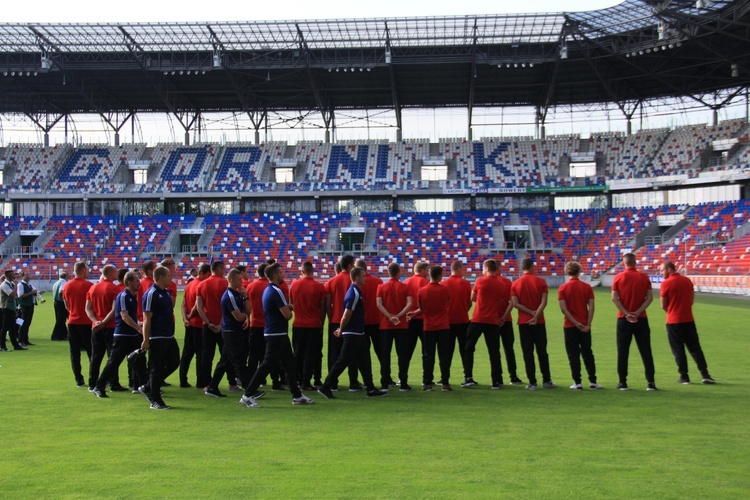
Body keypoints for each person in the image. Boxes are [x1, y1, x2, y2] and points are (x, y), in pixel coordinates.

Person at [239, 263, 314, 408]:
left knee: (289, 364)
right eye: (280, 273)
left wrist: (286, 309)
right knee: (267, 364)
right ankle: (247, 395)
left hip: (274, 331)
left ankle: (297, 395)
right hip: (276, 333)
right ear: (274, 275)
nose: (282, 275)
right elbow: (286, 315)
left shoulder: (268, 290)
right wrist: (290, 310)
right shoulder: (276, 290)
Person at [317, 267, 387, 399]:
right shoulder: (354, 293)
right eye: (363, 276)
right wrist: (341, 329)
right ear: (356, 278)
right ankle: (326, 387)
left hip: (358, 333)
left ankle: (370, 389)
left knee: (364, 361)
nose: (365, 278)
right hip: (353, 334)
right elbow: (346, 314)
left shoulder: (356, 292)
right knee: (343, 361)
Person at [658, 261, 715, 385]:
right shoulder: (687, 281)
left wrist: (672, 311)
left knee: (678, 349)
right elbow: (691, 300)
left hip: (673, 320)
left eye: (662, 270)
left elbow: (663, 305)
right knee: (695, 348)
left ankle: (684, 376)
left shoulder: (666, 283)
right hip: (688, 319)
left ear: (668, 269)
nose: (660, 273)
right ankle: (705, 374)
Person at [92, 271, 146, 398]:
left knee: (139, 361)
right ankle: (99, 386)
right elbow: (124, 316)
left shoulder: (133, 296)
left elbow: (130, 316)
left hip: (131, 335)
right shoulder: (123, 296)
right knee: (113, 362)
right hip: (122, 335)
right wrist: (139, 328)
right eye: (137, 281)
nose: (139, 283)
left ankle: (145, 386)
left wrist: (138, 323)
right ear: (129, 282)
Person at [611, 253, 657, 391]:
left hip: (623, 319)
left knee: (623, 351)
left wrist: (626, 313)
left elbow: (614, 298)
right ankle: (651, 382)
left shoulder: (618, 278)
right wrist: (637, 312)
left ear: (624, 263)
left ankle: (622, 382)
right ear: (635, 263)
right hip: (641, 318)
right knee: (646, 350)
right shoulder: (644, 277)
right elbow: (649, 298)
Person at [204, 269, 252, 398]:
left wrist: (246, 296)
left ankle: (212, 387)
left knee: (225, 361)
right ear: (231, 280)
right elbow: (239, 317)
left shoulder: (237, 294)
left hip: (234, 331)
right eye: (239, 279)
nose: (241, 282)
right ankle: (250, 389)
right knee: (239, 360)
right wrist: (244, 315)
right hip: (231, 331)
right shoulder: (229, 295)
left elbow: (248, 310)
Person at [139, 265, 180, 410]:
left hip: (168, 335)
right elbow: (146, 318)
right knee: (156, 368)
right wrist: (146, 339)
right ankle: (155, 400)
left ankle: (149, 386)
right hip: (156, 336)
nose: (171, 278)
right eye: (169, 275)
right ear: (161, 277)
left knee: (175, 361)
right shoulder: (151, 294)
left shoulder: (167, 292)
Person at [511, 258, 556, 391]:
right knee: (542, 352)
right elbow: (544, 302)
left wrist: (530, 312)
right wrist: (536, 315)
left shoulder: (515, 284)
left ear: (522, 268)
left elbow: (515, 303)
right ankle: (547, 380)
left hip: (524, 322)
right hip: (539, 322)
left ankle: (532, 382)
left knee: (527, 352)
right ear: (532, 267)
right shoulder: (541, 281)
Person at [462, 259, 507, 389]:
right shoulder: (501, 285)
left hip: (478, 318)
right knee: (494, 351)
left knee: (468, 348)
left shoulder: (480, 281)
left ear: (486, 269)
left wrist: (482, 302)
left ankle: (468, 377)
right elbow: (500, 303)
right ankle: (496, 381)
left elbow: (472, 298)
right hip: (492, 320)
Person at [407, 265, 453, 391]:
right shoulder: (445, 289)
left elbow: (421, 308)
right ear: (439, 276)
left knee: (428, 356)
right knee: (444, 355)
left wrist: (414, 313)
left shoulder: (422, 291)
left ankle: (427, 382)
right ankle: (445, 383)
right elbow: (447, 303)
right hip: (443, 325)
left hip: (428, 326)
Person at [557, 261, 601, 390]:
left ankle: (577, 382)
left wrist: (575, 323)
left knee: (573, 354)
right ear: (579, 271)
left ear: (567, 272)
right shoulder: (587, 287)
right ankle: (593, 381)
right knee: (588, 352)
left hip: (570, 325)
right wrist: (587, 324)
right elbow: (591, 307)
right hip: (584, 325)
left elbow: (564, 309)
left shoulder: (563, 288)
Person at [196, 260, 238, 392]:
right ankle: (232, 382)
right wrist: (219, 323)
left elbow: (199, 307)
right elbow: (225, 305)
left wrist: (208, 322)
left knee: (207, 355)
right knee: (226, 355)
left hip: (207, 325)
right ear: (219, 269)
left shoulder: (201, 285)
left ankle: (207, 384)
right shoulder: (224, 283)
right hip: (223, 325)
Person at [325, 255, 361, 391]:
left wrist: (331, 317)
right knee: (351, 354)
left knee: (334, 354)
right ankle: (353, 382)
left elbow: (328, 304)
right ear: (351, 264)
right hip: (351, 321)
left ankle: (332, 383)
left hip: (335, 320)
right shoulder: (354, 280)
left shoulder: (331, 281)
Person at [85, 265, 124, 391]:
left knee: (96, 356)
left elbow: (88, 308)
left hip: (96, 328)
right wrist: (104, 322)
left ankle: (92, 383)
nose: (117, 274)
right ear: (111, 273)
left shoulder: (93, 287)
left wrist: (96, 322)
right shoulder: (114, 289)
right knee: (112, 357)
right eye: (116, 272)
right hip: (110, 326)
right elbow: (114, 309)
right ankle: (113, 383)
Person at [376, 262, 413, 391]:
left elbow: (379, 304)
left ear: (388, 272)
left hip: (385, 325)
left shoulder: (381, 287)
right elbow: (410, 303)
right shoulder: (405, 287)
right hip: (401, 325)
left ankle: (384, 383)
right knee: (402, 355)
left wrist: (389, 316)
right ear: (398, 273)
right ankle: (403, 382)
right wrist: (399, 315)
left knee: (385, 355)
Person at [289, 261, 326, 390]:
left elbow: (291, 304)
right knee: (310, 355)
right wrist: (321, 323)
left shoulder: (294, 285)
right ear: (312, 271)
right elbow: (322, 308)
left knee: (297, 353)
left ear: (302, 271)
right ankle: (306, 382)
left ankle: (297, 380)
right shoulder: (319, 287)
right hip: (314, 325)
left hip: (298, 323)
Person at [246, 262, 282, 390]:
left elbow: (248, 306)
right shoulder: (271, 288)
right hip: (270, 325)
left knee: (254, 354)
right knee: (272, 356)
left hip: (255, 323)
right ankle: (275, 381)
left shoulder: (250, 287)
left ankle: (250, 381)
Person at [441, 260, 472, 387]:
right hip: (463, 321)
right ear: (459, 269)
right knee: (465, 350)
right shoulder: (465, 283)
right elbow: (469, 302)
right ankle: (468, 376)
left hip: (447, 322)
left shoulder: (444, 284)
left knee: (447, 351)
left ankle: (444, 378)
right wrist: (464, 310)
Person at [62, 262, 94, 387]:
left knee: (74, 352)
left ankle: (78, 379)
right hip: (86, 322)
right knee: (91, 351)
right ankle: (93, 378)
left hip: (72, 321)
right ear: (82, 270)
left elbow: (66, 305)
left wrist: (72, 313)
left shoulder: (67, 286)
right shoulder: (88, 285)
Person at [179, 263, 210, 389]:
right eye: (208, 275)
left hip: (190, 325)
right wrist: (191, 316)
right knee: (200, 354)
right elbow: (198, 306)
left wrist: (185, 318)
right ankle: (200, 381)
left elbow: (183, 304)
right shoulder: (201, 285)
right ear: (202, 273)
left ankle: (183, 379)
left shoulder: (189, 285)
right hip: (198, 323)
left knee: (187, 353)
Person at [492, 260, 523, 385]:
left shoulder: (486, 281)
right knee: (509, 349)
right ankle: (513, 376)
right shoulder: (506, 282)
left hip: (492, 320)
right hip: (506, 321)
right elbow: (512, 302)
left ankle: (498, 378)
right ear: (499, 268)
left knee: (494, 350)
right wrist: (504, 317)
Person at [355, 259, 384, 377]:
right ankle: (386, 378)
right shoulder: (378, 281)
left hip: (362, 322)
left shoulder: (357, 284)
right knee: (382, 352)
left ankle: (368, 379)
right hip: (377, 321)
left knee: (363, 354)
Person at [403, 261, 429, 376]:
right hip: (423, 319)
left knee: (407, 351)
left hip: (409, 320)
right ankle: (427, 378)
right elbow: (427, 303)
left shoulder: (406, 282)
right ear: (422, 270)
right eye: (427, 270)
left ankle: (402, 377)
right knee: (427, 351)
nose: (428, 272)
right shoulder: (426, 282)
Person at [0, 271, 24, 351]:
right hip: (6, 308)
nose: (15, 276)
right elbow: (13, 294)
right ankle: (3, 346)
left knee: (12, 328)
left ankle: (15, 345)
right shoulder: (4, 285)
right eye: (13, 275)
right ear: (8, 276)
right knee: (4, 328)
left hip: (11, 309)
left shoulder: (11, 284)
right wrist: (16, 284)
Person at [16, 270, 39, 346]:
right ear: (22, 276)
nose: (29, 276)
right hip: (24, 306)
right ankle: (21, 339)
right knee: (23, 323)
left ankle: (25, 339)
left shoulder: (29, 285)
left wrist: (35, 293)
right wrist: (30, 293)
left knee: (28, 323)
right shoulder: (20, 285)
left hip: (30, 305)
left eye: (29, 274)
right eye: (26, 275)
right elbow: (20, 296)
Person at [51, 271, 69, 341]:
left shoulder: (56, 283)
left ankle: (63, 334)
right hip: (61, 302)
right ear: (66, 276)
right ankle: (55, 335)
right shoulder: (64, 282)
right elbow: (61, 291)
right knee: (60, 320)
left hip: (56, 301)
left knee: (60, 319)